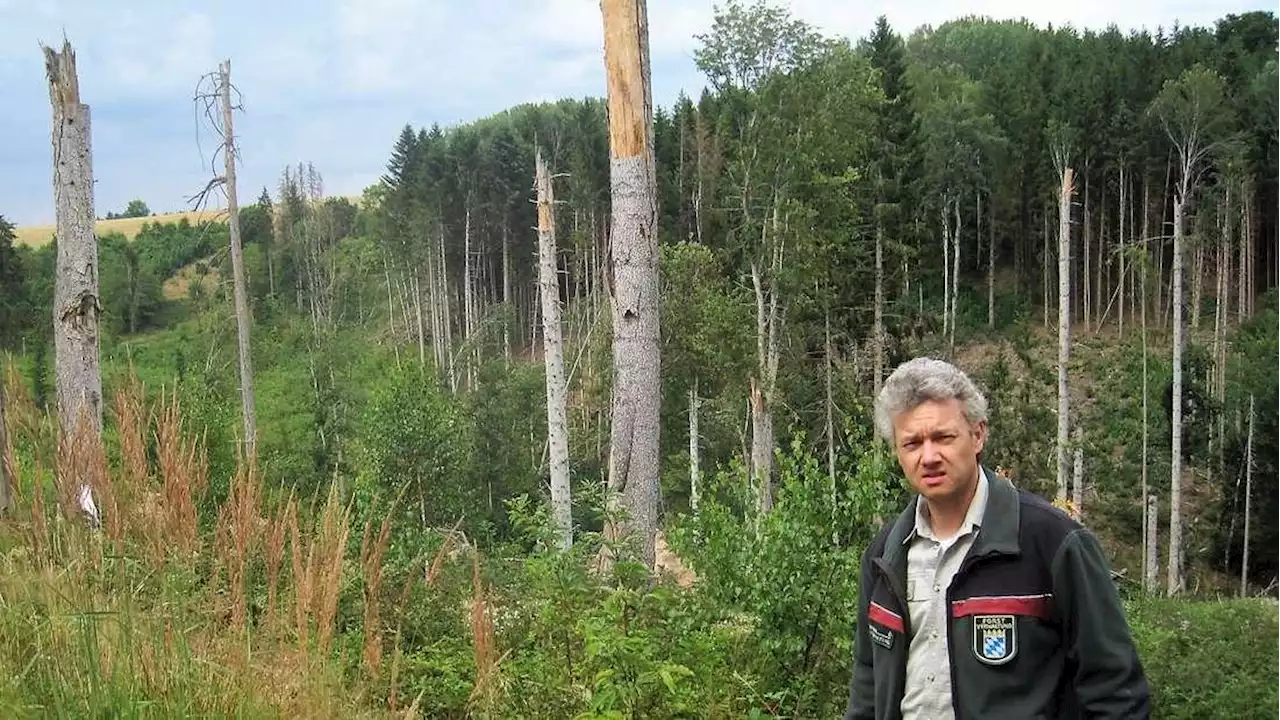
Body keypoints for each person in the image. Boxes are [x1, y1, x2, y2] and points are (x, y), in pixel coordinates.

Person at [843, 357, 1150, 720]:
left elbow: (1115, 691)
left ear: (978, 435)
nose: (929, 457)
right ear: (897, 451)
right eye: (912, 443)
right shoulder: (885, 555)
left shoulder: (1053, 543)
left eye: (943, 437)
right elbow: (868, 683)